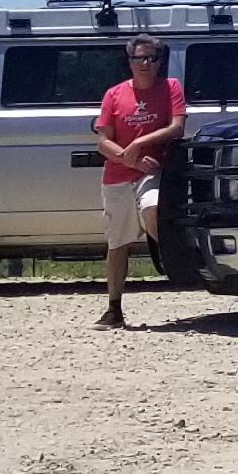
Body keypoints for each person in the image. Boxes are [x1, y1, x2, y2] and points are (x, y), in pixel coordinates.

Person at [94, 34, 185, 330]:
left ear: (160, 61)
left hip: (153, 171)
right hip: (118, 175)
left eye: (152, 57)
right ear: (130, 62)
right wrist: (127, 157)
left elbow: (177, 127)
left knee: (154, 210)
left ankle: (182, 268)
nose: (146, 63)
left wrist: (142, 142)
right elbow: (103, 141)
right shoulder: (114, 95)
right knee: (117, 243)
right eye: (140, 58)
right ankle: (114, 309)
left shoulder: (171, 87)